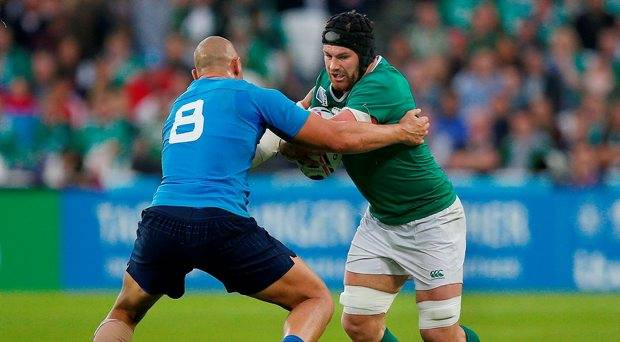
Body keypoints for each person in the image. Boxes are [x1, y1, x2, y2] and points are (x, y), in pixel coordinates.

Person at [93, 36, 430, 342]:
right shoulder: (253, 94)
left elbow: (224, 156)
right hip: (220, 220)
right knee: (313, 299)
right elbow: (337, 137)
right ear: (238, 66)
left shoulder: (176, 109)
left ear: (196, 75)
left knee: (123, 313)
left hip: (162, 218)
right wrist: (401, 132)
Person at [279, 11, 480, 342]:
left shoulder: (384, 82)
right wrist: (280, 135)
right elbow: (298, 114)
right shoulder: (329, 81)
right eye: (328, 56)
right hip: (383, 221)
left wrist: (296, 138)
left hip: (430, 219)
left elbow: (340, 134)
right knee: (358, 324)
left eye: (343, 56)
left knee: (439, 334)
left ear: (364, 55)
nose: (333, 65)